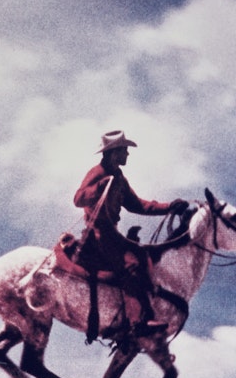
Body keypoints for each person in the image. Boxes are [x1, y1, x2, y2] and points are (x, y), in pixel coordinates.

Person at [74, 130, 189, 336]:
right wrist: (99, 187)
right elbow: (78, 199)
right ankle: (137, 322)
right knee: (131, 264)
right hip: (99, 234)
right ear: (113, 153)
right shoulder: (98, 173)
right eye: (124, 151)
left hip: (112, 233)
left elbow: (137, 205)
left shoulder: (118, 177)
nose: (127, 155)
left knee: (143, 257)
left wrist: (169, 206)